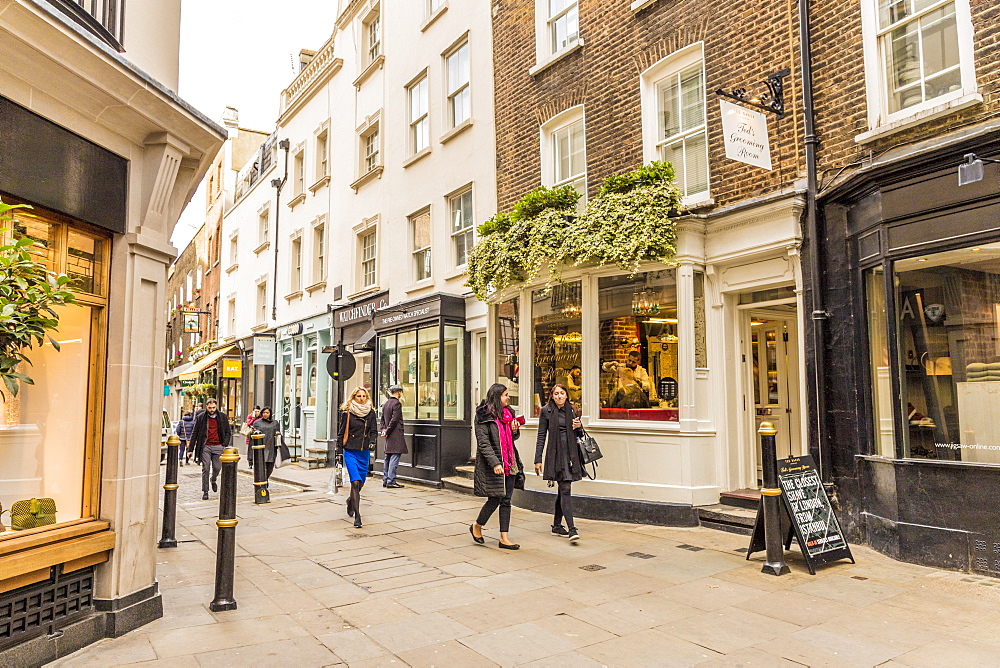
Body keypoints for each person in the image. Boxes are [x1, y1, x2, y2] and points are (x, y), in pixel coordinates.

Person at [471, 383, 525, 550]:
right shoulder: (483, 415)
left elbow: (511, 439)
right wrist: (495, 463)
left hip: (510, 462)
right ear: (497, 397)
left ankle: (504, 538)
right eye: (505, 395)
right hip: (493, 463)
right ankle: (477, 525)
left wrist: (515, 430)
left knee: (506, 501)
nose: (508, 398)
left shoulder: (509, 414)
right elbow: (484, 443)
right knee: (494, 498)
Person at [535, 384, 585, 542]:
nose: (559, 396)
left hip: (571, 455)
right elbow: (541, 435)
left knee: (562, 490)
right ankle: (571, 529)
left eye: (562, 393)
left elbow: (580, 434)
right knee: (565, 488)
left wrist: (580, 427)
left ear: (566, 395)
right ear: (552, 395)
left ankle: (557, 526)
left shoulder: (573, 410)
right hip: (555, 455)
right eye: (556, 394)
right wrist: (538, 459)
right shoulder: (546, 411)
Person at [337, 387, 378, 528]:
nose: (361, 398)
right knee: (354, 482)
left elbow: (374, 431)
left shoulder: (371, 413)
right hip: (350, 451)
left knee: (360, 483)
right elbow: (341, 433)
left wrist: (372, 441)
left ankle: (350, 500)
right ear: (353, 397)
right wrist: (338, 451)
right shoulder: (347, 413)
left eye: (364, 396)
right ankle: (358, 516)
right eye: (359, 396)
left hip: (364, 452)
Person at [191, 398, 232, 500]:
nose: (212, 410)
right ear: (206, 407)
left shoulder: (222, 416)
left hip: (218, 446)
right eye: (210, 408)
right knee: (206, 468)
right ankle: (205, 491)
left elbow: (228, 432)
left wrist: (224, 444)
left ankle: (213, 480)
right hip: (205, 446)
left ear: (216, 406)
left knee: (217, 468)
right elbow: (194, 433)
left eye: (213, 407)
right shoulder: (201, 418)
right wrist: (190, 449)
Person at [380, 385, 406, 488]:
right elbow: (395, 420)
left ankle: (386, 480)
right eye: (400, 392)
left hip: (388, 434)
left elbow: (382, 419)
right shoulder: (397, 404)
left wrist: (383, 430)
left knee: (388, 457)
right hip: (395, 434)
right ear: (398, 392)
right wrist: (388, 430)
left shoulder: (386, 404)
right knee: (395, 456)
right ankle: (391, 480)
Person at [249, 407, 284, 480]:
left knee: (270, 466)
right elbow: (253, 435)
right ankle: (263, 482)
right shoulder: (257, 423)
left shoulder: (275, 423)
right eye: (264, 413)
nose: (265, 414)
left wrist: (278, 433)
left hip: (271, 447)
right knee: (262, 466)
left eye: (267, 413)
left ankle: (265, 479)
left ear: (270, 413)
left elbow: (278, 433)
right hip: (261, 447)